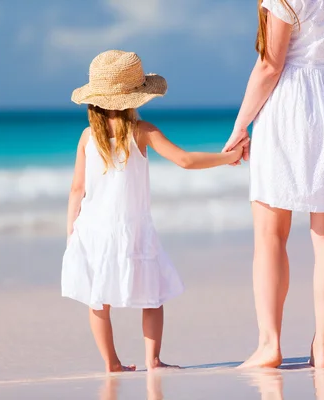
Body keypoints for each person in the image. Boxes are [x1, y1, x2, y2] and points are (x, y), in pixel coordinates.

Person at [223, 0, 324, 368]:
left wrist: (240, 126)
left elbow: (270, 65)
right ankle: (323, 346)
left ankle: (270, 344)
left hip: (292, 103)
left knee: (270, 232)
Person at [62, 50, 248, 372]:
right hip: (132, 227)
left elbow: (77, 189)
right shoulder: (141, 131)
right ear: (134, 98)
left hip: (91, 229)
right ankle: (153, 360)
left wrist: (71, 232)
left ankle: (112, 364)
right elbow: (185, 160)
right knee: (152, 295)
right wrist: (227, 158)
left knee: (98, 301)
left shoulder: (86, 137)